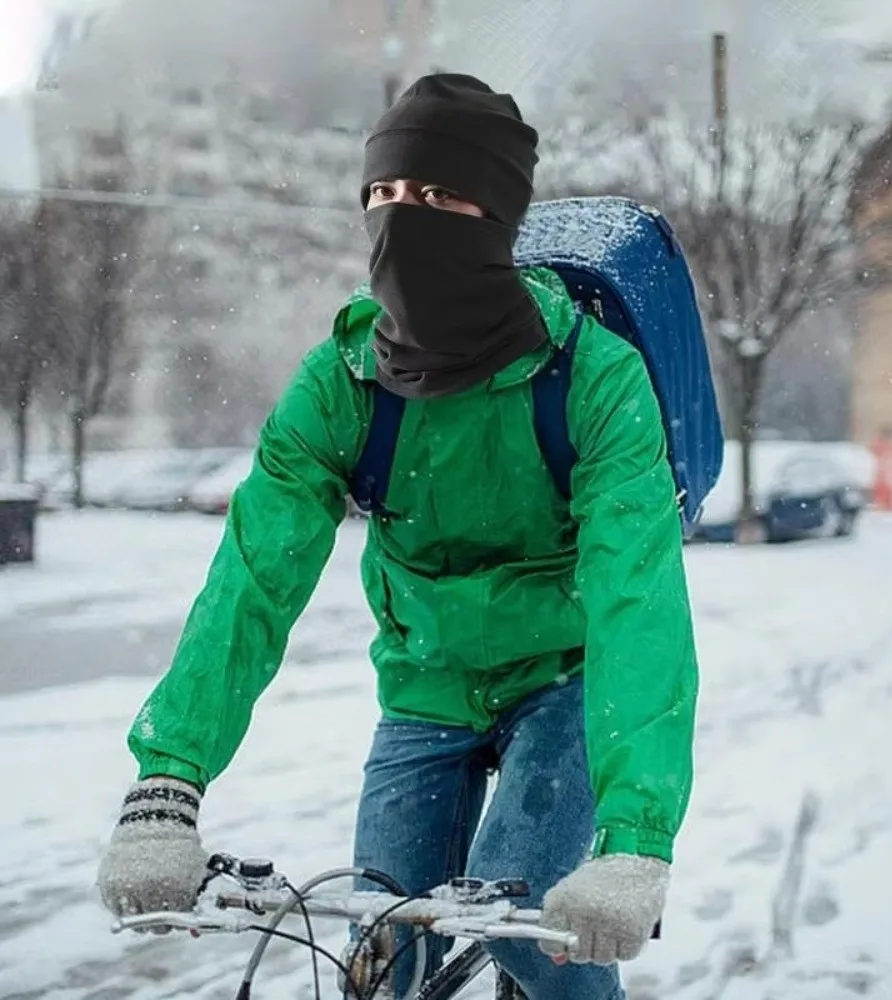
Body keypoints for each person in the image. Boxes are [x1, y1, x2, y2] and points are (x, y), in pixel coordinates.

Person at [97, 73, 699, 1000]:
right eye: (382, 195)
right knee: (384, 947)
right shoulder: (342, 381)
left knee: (538, 931)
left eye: (434, 195)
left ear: (494, 214)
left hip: (566, 681)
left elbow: (639, 600)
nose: (401, 217)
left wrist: (635, 841)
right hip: (425, 685)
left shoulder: (594, 379)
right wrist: (166, 784)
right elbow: (251, 581)